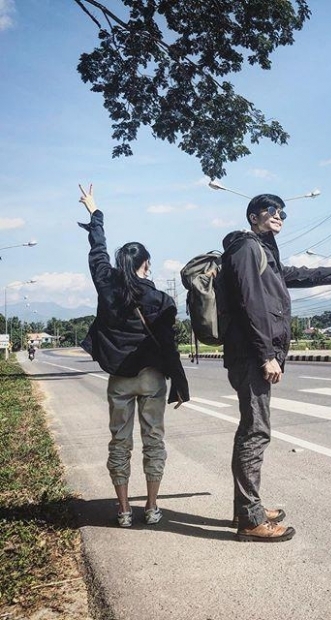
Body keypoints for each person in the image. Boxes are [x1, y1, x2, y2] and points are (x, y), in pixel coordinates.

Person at [221, 194, 331, 542]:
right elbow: (253, 305)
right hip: (251, 356)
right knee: (255, 432)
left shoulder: (263, 252)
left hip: (251, 354)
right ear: (253, 216)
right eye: (271, 211)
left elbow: (299, 275)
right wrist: (266, 354)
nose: (279, 216)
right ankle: (249, 520)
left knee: (252, 429)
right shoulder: (248, 251)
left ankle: (247, 508)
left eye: (283, 212)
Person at [77, 184, 190, 528]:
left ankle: (124, 510)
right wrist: (180, 383)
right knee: (153, 440)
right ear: (146, 264)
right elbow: (169, 346)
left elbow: (97, 253)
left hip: (119, 379)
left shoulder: (107, 285)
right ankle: (152, 508)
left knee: (119, 442)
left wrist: (94, 212)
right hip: (153, 378)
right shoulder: (160, 300)